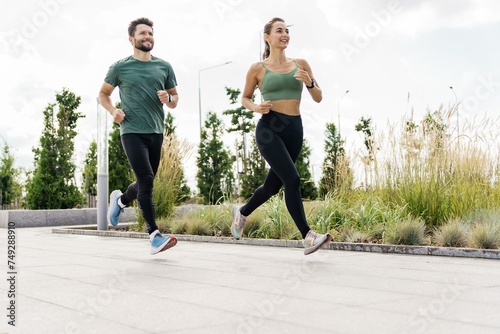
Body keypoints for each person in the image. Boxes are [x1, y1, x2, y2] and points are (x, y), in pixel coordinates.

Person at [232, 17, 332, 255]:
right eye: (279, 31)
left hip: (294, 129)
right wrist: (256, 107)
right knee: (293, 180)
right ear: (267, 36)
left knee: (271, 187)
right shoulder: (258, 68)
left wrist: (309, 82)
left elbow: (318, 97)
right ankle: (307, 236)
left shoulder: (301, 63)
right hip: (269, 128)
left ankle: (242, 212)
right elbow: (245, 98)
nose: (285, 34)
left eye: (287, 31)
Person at [99, 17, 178, 255]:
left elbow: (175, 101)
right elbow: (103, 94)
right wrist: (113, 111)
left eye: (151, 33)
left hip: (156, 131)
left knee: (147, 180)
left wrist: (168, 99)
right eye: (143, 33)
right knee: (146, 180)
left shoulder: (164, 66)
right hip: (131, 131)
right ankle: (154, 235)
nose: (148, 37)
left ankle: (121, 201)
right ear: (131, 39)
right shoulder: (120, 67)